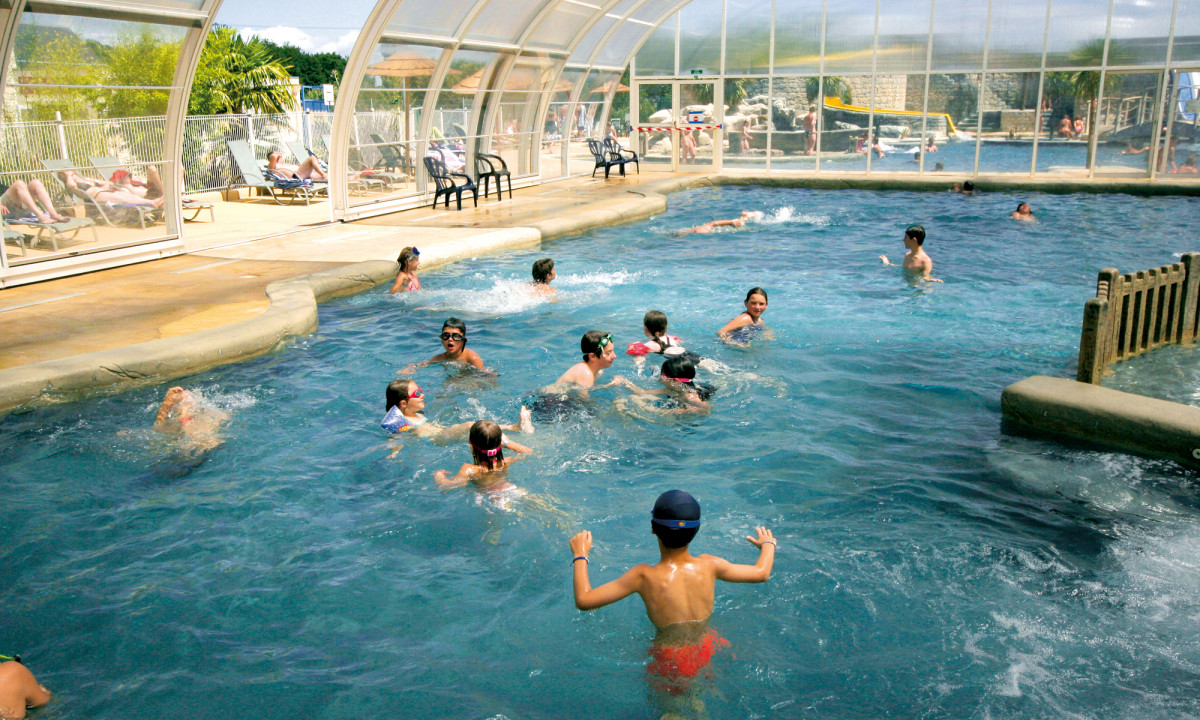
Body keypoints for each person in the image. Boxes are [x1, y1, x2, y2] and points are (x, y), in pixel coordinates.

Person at [568, 490, 775, 697]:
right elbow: (762, 573)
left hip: (670, 657)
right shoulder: (710, 565)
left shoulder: (643, 576)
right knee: (702, 696)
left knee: (674, 708)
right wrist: (768, 544)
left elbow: (584, 600)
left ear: (653, 529)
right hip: (708, 643)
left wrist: (580, 554)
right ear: (697, 530)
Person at [381, 379, 533, 443]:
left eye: (420, 390)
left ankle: (512, 430)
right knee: (470, 425)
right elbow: (396, 438)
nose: (422, 395)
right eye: (417, 393)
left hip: (443, 432)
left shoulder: (416, 414)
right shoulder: (402, 421)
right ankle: (513, 432)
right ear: (403, 403)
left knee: (481, 436)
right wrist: (394, 451)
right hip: (438, 439)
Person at [433, 419, 532, 498]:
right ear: (500, 443)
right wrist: (506, 443)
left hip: (491, 497)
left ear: (469, 441)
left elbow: (448, 486)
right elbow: (527, 451)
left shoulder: (469, 469)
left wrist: (439, 475)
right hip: (511, 489)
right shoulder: (505, 461)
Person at [550, 330, 638, 394]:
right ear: (592, 356)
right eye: (608, 353)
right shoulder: (586, 373)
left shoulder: (598, 371)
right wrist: (610, 385)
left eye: (613, 351)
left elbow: (589, 389)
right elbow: (585, 400)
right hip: (550, 401)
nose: (614, 356)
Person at [621, 355, 713, 415]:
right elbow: (643, 392)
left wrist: (677, 411)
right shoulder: (671, 389)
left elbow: (707, 410)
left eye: (662, 375)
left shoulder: (690, 397)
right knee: (637, 397)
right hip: (678, 401)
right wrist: (624, 381)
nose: (659, 377)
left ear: (675, 381)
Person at [399, 318, 485, 373]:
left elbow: (480, 375)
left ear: (463, 341)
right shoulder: (441, 358)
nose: (450, 339)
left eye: (456, 336)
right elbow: (426, 363)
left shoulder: (472, 358)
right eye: (446, 336)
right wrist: (412, 368)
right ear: (442, 340)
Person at [61, 169, 163, 209]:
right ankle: (152, 203)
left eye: (73, 173)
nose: (73, 175)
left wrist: (107, 185)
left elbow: (105, 182)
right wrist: (68, 175)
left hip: (105, 191)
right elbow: (70, 185)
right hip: (98, 196)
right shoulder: (72, 183)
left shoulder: (85, 179)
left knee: (127, 195)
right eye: (70, 174)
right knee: (123, 198)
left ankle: (153, 202)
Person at [0, 179, 69, 224]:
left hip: (17, 207)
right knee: (18, 183)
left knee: (35, 183)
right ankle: (40, 216)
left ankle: (54, 214)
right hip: (4, 211)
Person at [678, 210, 762, 235]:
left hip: (695, 232)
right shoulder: (693, 231)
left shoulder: (696, 231)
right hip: (692, 232)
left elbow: (713, 224)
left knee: (712, 224)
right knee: (712, 224)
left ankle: (743, 218)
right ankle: (744, 217)